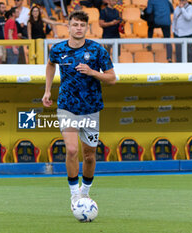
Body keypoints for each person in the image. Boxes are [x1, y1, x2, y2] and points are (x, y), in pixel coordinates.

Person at [42, 11, 116, 210]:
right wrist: (47, 90)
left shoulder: (97, 50)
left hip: (91, 109)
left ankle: (85, 191)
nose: (78, 28)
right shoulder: (57, 49)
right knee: (72, 150)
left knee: (90, 155)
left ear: (86, 28)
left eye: (82, 25)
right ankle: (74, 194)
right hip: (66, 106)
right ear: (68, 26)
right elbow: (50, 65)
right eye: (75, 24)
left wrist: (92, 72)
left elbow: (112, 78)